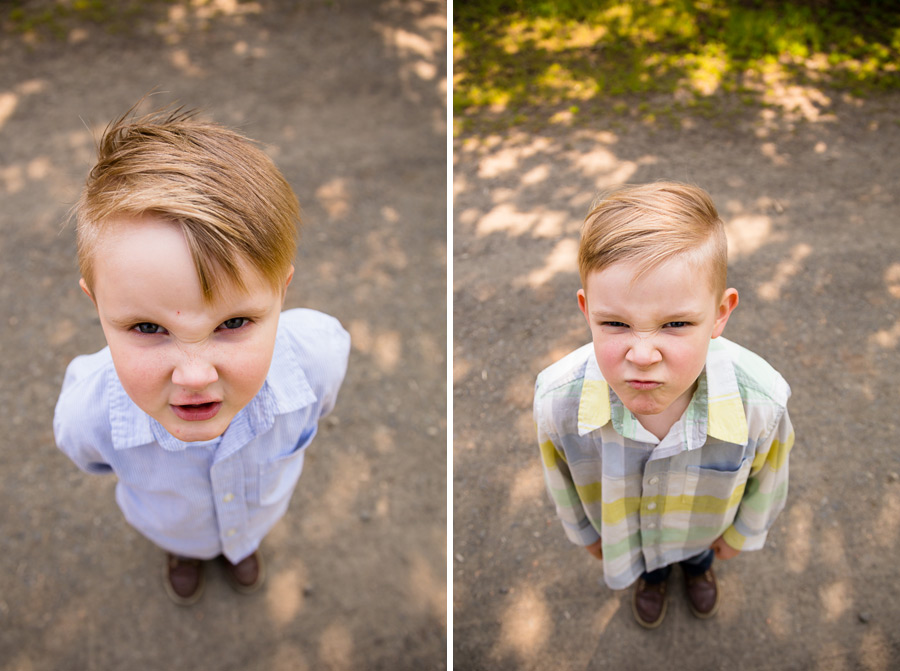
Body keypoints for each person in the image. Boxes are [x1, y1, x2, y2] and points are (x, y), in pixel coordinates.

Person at [54, 107, 350, 606]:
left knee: (245, 537)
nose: (195, 375)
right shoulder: (88, 413)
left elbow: (321, 403)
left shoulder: (319, 355)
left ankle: (241, 547)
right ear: (97, 305)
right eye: (148, 328)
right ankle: (183, 553)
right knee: (180, 536)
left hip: (260, 511)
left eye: (232, 324)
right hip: (168, 524)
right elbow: (92, 460)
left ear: (281, 294)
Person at [533, 182, 793, 628]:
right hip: (625, 536)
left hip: (703, 533)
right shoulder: (558, 403)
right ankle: (650, 579)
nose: (642, 354)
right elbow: (559, 477)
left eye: (675, 323)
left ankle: (696, 571)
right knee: (647, 562)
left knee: (697, 557)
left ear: (720, 314)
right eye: (615, 323)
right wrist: (586, 534)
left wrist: (740, 535)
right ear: (586, 309)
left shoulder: (761, 403)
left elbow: (770, 476)